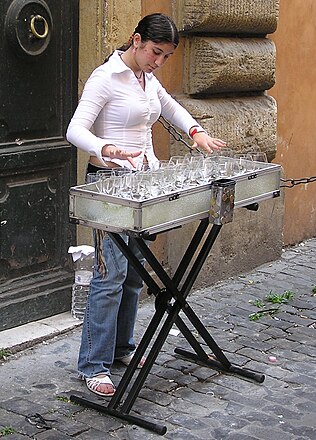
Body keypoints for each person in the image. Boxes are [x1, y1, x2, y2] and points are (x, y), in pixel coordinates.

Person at [66, 12, 226, 397]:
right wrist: (106, 148)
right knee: (110, 276)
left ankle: (121, 348)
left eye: (166, 56)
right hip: (109, 184)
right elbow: (74, 129)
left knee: (135, 274)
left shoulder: (146, 79)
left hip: (143, 182)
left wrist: (196, 131)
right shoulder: (106, 78)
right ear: (136, 40)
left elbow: (170, 108)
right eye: (155, 52)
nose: (158, 62)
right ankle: (94, 363)